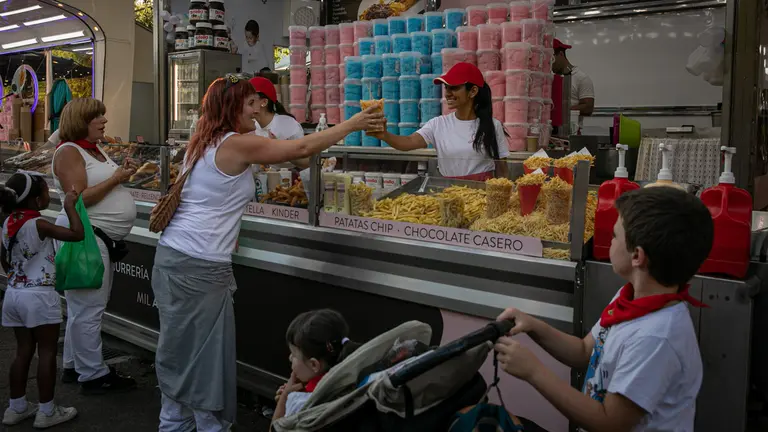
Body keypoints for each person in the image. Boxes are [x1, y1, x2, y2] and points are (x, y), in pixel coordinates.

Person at [152, 74, 383, 431]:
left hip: (174, 258)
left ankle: (174, 423)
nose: (258, 107)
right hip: (198, 268)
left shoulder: (204, 141)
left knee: (179, 351)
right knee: (204, 358)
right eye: (250, 102)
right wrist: (352, 124)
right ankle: (207, 426)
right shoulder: (235, 144)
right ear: (233, 108)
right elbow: (300, 150)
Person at [494, 187, 713, 432]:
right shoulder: (631, 298)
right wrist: (534, 326)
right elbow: (585, 350)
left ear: (637, 256)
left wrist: (533, 371)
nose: (610, 241)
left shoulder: (655, 338)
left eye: (614, 236)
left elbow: (609, 423)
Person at [51, 98, 139, 394]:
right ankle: (94, 375)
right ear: (80, 121)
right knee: (89, 308)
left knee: (82, 308)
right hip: (86, 238)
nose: (104, 121)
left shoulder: (95, 148)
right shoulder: (68, 151)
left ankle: (74, 366)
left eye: (103, 115)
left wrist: (120, 175)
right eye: (96, 117)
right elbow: (79, 198)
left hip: (97, 237)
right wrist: (116, 179)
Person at [1, 172, 83, 428]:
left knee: (23, 351)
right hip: (39, 295)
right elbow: (76, 234)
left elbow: (4, 260)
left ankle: (16, 407)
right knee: (46, 352)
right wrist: (69, 206)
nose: (50, 196)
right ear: (37, 200)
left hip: (14, 294)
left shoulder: (7, 222)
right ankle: (47, 411)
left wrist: (19, 272)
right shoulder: (39, 224)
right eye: (47, 192)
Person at [371, 62, 509, 180]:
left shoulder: (492, 125)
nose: (448, 93)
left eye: (454, 87)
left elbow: (502, 169)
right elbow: (408, 142)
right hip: (449, 192)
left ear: (472, 91)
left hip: (482, 196)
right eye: (446, 88)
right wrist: (384, 135)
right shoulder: (438, 124)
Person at [272, 309, 360, 422]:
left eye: (293, 355)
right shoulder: (353, 382)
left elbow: (275, 429)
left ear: (314, 364)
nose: (290, 358)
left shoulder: (300, 404)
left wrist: (284, 399)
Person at [248, 76, 308, 169]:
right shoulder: (250, 127)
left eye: (251, 102)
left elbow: (306, 162)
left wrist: (281, 149)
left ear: (264, 102)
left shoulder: (288, 124)